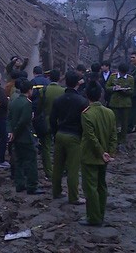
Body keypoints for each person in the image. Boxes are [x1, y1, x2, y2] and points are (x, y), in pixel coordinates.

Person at [79, 81, 118, 226]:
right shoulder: (110, 112)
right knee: (102, 185)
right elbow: (114, 135)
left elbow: (91, 138)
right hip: (106, 156)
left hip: (90, 156)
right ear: (101, 95)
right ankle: (100, 214)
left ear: (87, 95)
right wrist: (110, 152)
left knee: (90, 188)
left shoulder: (87, 114)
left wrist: (101, 153)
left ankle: (94, 218)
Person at [50, 71, 89, 205]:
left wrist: (55, 133)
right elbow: (85, 122)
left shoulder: (59, 100)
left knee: (58, 166)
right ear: (79, 83)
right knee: (73, 168)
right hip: (74, 136)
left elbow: (52, 119)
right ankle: (74, 197)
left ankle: (56, 191)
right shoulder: (82, 101)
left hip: (60, 134)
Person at [7, 80, 44, 195]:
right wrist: (15, 132)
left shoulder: (14, 101)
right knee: (31, 161)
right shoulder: (27, 104)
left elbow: (9, 118)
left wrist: (11, 132)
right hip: (25, 137)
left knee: (19, 161)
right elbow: (23, 121)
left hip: (16, 138)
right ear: (29, 90)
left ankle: (20, 184)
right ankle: (32, 186)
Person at [39, 69, 66, 180]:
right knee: (61, 147)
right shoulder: (64, 91)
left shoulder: (44, 91)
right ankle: (62, 169)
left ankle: (49, 172)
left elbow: (40, 108)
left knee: (46, 147)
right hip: (61, 123)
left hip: (46, 122)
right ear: (59, 78)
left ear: (49, 78)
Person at [106, 63, 134, 145]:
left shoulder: (130, 79)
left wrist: (125, 91)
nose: (122, 75)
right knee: (114, 122)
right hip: (114, 103)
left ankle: (123, 139)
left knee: (124, 122)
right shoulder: (113, 77)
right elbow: (107, 87)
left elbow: (132, 91)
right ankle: (114, 138)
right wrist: (114, 88)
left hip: (126, 104)